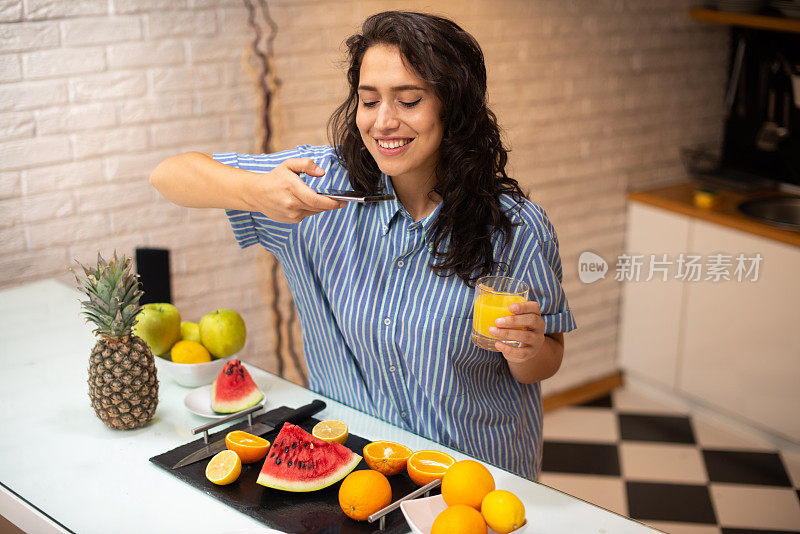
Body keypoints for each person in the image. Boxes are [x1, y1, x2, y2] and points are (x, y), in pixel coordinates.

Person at [150, 11, 576, 480]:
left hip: (477, 473)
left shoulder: (515, 227)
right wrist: (257, 193)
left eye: (409, 100)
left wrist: (527, 349)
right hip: (355, 466)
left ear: (453, 106)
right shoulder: (318, 185)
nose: (384, 122)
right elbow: (169, 174)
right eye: (368, 101)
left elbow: (543, 362)